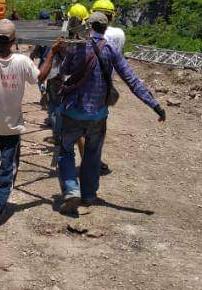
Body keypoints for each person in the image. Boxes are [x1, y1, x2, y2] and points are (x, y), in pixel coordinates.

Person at [43, 11, 166, 214]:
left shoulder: (77, 47)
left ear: (89, 26)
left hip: (73, 111)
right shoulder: (111, 49)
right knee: (92, 154)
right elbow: (132, 80)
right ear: (106, 27)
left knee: (65, 151)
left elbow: (62, 72)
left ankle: (72, 191)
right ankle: (89, 195)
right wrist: (155, 105)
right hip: (98, 115)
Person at [0, 19, 55, 221]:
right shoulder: (23, 62)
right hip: (10, 126)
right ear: (14, 40)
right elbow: (40, 77)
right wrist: (53, 52)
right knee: (8, 166)